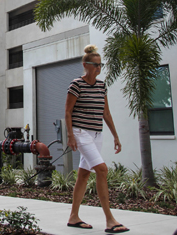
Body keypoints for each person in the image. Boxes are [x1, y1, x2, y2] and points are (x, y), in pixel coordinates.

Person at [65, 44, 129, 234]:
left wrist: (116, 135)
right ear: (86, 65)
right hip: (80, 132)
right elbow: (68, 112)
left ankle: (73, 217)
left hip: (96, 134)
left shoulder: (102, 86)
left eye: (101, 65)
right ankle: (110, 220)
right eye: (96, 65)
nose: (99, 68)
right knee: (102, 170)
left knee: (84, 174)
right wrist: (70, 136)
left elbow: (106, 113)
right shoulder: (76, 84)